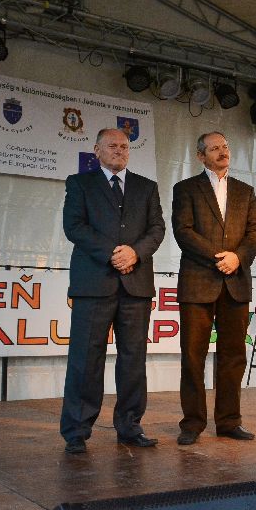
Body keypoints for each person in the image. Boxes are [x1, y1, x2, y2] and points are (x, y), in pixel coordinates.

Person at [60, 128, 166, 454]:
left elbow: (157, 229)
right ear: (97, 150)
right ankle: (77, 431)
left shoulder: (146, 187)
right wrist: (112, 253)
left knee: (133, 360)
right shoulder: (80, 184)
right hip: (94, 283)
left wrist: (135, 253)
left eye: (124, 146)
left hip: (136, 285)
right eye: (112, 146)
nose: (119, 150)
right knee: (85, 360)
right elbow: (74, 226)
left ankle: (130, 427)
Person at [172, 131, 256, 445]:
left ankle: (229, 421)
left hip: (236, 282)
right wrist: (220, 258)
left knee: (234, 356)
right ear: (201, 156)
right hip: (198, 282)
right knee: (192, 356)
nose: (222, 152)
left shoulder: (245, 191)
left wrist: (237, 258)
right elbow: (183, 231)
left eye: (225, 146)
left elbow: (254, 232)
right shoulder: (185, 189)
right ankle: (192, 423)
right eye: (214, 148)